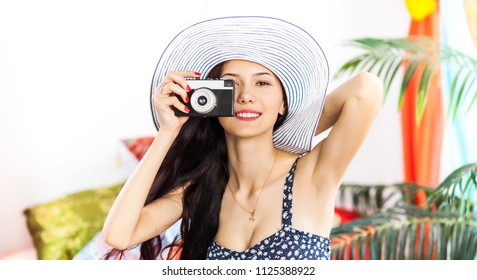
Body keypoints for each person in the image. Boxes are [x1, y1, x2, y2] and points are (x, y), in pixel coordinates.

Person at [102, 16, 382, 260]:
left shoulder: (310, 175)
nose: (246, 95)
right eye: (231, 85)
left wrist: (284, 128)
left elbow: (365, 89)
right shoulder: (200, 190)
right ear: (211, 103)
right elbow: (119, 235)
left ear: (283, 103)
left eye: (262, 83)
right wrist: (168, 131)